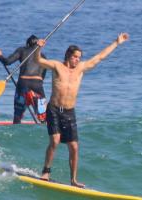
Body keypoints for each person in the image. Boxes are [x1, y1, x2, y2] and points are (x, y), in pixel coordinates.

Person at [36, 32, 129, 188]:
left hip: (69, 112)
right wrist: (38, 48)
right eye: (75, 57)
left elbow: (99, 57)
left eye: (79, 57)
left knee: (74, 146)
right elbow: (38, 60)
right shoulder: (57, 66)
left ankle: (73, 180)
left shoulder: (80, 69)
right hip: (53, 109)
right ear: (68, 56)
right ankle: (46, 171)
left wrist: (116, 42)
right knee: (55, 141)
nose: (77, 59)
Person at [0, 35, 47, 124]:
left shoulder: (22, 50)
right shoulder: (43, 56)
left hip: (23, 84)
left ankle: (16, 127)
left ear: (27, 44)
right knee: (43, 115)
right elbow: (43, 76)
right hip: (37, 84)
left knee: (18, 114)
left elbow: (7, 62)